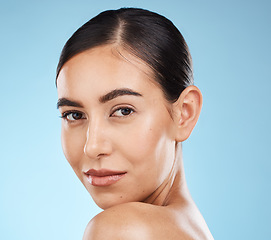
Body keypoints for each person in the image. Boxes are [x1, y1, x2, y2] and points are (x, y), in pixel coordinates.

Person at [56, 7, 214, 240]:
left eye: (123, 110)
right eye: (75, 115)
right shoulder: (190, 228)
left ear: (184, 113)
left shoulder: (122, 230)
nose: (93, 147)